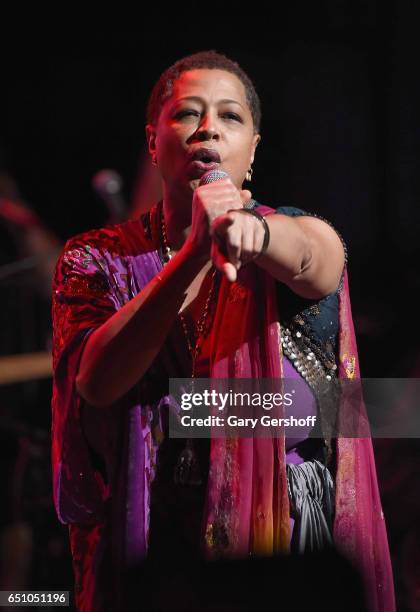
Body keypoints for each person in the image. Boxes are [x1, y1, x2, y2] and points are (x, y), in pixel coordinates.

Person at [51, 51, 395, 611]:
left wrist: (251, 235)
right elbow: (96, 383)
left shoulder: (293, 234)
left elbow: (320, 259)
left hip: (279, 546)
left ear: (253, 150)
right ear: (151, 143)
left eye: (230, 116)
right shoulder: (95, 259)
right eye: (188, 113)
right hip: (155, 549)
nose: (208, 126)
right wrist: (192, 256)